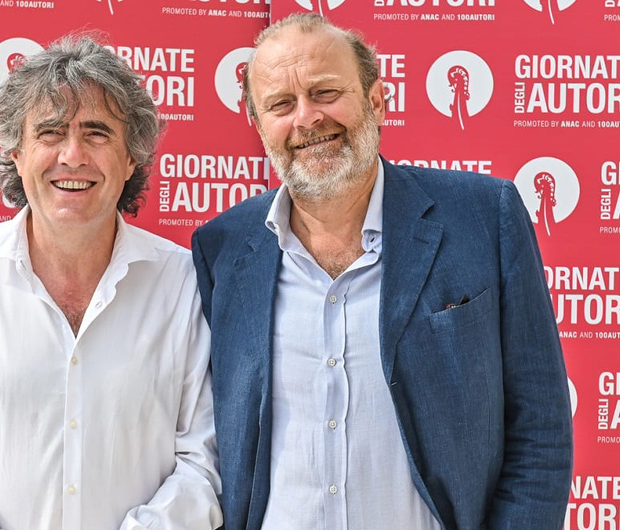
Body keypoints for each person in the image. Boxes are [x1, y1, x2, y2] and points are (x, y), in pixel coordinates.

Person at [191, 13, 572, 530]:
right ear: (259, 126)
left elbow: (541, 427)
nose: (306, 118)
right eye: (280, 105)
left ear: (376, 101)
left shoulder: (484, 217)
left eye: (326, 92)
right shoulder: (222, 249)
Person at [0, 35, 222, 530]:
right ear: (17, 153)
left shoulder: (182, 283)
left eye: (97, 133)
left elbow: (204, 463)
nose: (73, 154)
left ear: (132, 159)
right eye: (51, 132)